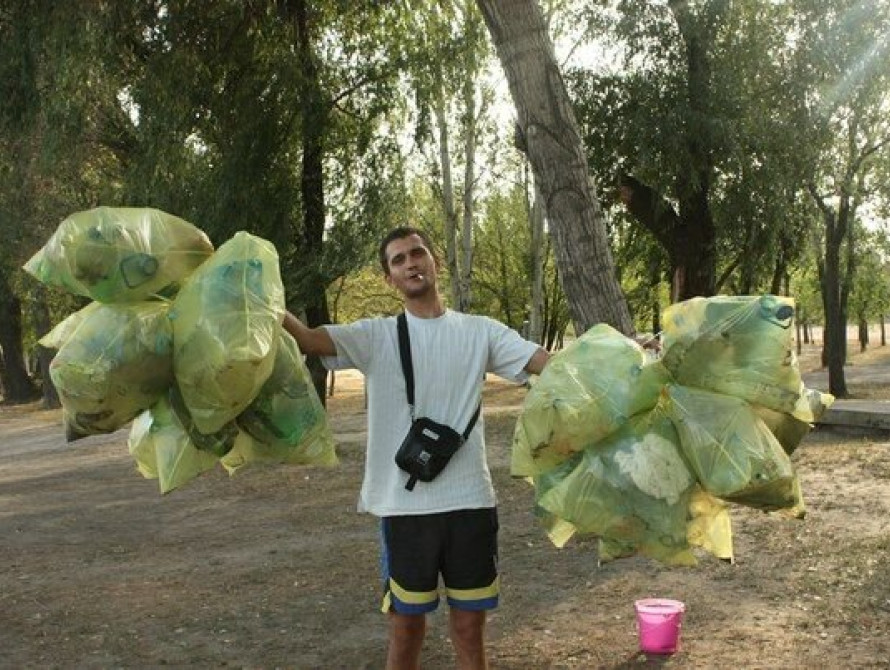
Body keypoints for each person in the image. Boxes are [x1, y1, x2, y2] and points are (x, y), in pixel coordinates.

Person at [283, 226, 549, 670]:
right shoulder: (376, 336)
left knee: (469, 629)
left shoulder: (480, 331)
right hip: (404, 511)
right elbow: (309, 339)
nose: (410, 263)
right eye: (398, 260)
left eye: (417, 253)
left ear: (434, 261)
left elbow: (543, 364)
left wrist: (619, 354)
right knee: (406, 630)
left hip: (470, 504)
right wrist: (263, 304)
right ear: (389, 279)